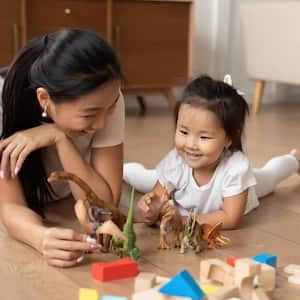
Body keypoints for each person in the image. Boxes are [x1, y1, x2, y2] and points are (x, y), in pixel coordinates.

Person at [0, 29, 125, 267]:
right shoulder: (3, 104)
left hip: (60, 195)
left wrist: (59, 138)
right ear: (44, 99)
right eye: (89, 114)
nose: (102, 124)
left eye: (110, 108)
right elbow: (10, 206)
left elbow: (105, 207)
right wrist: (41, 237)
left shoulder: (107, 99)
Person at [123, 75, 300, 229]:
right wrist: (151, 211)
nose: (191, 144)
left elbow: (230, 218)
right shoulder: (177, 161)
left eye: (204, 137)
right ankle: (121, 169)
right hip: (181, 178)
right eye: (184, 132)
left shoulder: (236, 169)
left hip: (241, 191)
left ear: (229, 138)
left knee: (270, 175)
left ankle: (294, 159)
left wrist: (184, 221)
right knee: (146, 179)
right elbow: (157, 206)